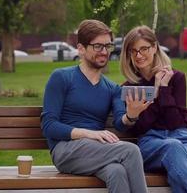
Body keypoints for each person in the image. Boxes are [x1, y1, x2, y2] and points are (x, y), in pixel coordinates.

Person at [40, 20, 150, 193]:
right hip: (66, 150)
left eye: (108, 46)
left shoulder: (112, 88)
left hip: (97, 151)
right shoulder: (61, 77)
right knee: (130, 151)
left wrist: (131, 115)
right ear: (81, 48)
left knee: (117, 171)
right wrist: (88, 133)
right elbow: (48, 126)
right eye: (98, 46)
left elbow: (121, 123)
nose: (104, 52)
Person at [120, 25, 187, 193]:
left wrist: (165, 87)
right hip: (150, 144)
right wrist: (158, 91)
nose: (139, 55)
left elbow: (175, 121)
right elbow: (142, 126)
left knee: (182, 163)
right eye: (133, 51)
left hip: (183, 138)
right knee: (175, 150)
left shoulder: (177, 78)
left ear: (154, 47)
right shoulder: (130, 87)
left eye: (144, 48)